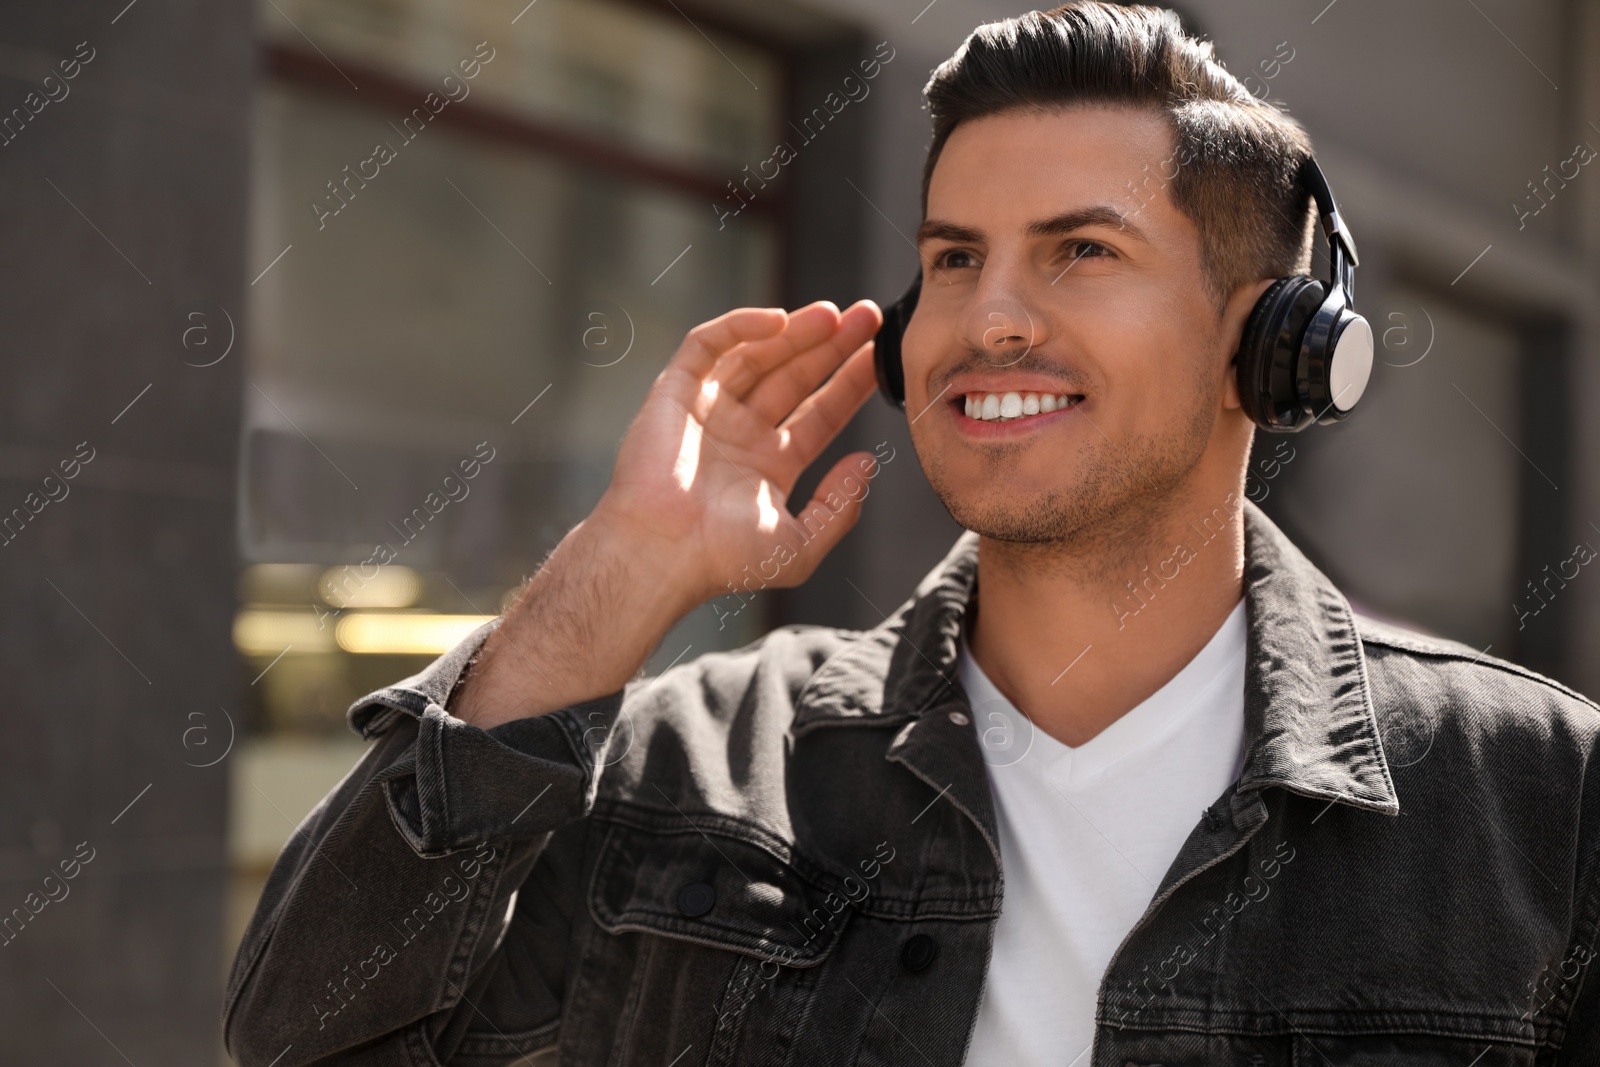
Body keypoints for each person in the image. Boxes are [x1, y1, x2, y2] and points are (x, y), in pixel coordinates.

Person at [224, 4, 1600, 1064]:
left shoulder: (1534, 801)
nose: (987, 318)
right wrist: (620, 570)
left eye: (1080, 251)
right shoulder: (694, 764)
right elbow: (310, 1036)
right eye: (953, 258)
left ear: (1274, 349)